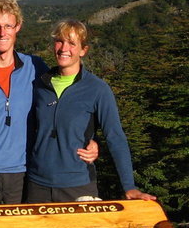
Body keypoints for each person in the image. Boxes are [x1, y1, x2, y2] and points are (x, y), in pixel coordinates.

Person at [0, 0, 97, 206]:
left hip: (26, 174)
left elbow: (66, 104)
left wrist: (90, 139)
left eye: (8, 26)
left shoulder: (34, 66)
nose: (2, 33)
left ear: (18, 27)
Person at [26, 19, 155, 203]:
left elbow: (115, 137)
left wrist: (129, 186)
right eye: (60, 41)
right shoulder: (39, 85)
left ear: (83, 50)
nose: (64, 48)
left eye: (72, 43)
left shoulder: (97, 89)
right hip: (37, 185)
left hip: (78, 185)